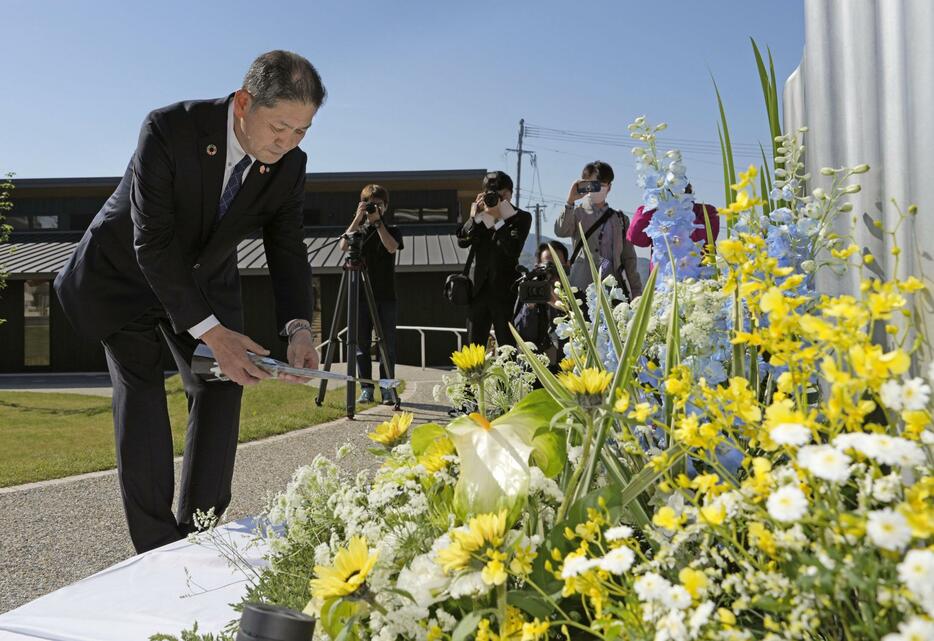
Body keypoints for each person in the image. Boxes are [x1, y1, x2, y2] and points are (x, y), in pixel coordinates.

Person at [53, 51, 325, 554]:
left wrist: (299, 328)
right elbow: (151, 243)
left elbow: (287, 246)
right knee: (142, 396)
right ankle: (156, 548)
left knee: (225, 385)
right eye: (279, 127)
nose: (286, 143)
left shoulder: (289, 167)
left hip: (205, 282)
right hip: (126, 277)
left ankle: (197, 532)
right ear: (244, 103)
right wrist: (213, 334)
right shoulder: (167, 129)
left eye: (301, 133)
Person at [339, 184, 402, 405]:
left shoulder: (391, 229)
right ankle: (366, 388)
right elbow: (343, 246)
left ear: (385, 206)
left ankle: (387, 389)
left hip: (385, 296)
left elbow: (392, 247)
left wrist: (377, 223)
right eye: (370, 204)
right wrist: (358, 219)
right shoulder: (358, 231)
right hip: (360, 297)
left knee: (387, 345)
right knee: (360, 345)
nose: (374, 207)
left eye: (378, 204)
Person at [456, 171, 531, 347]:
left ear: (509, 194)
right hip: (478, 291)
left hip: (506, 291)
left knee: (507, 347)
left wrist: (498, 218)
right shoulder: (481, 216)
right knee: (474, 349)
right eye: (491, 194)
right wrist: (474, 217)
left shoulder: (520, 217)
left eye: (501, 194)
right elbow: (462, 241)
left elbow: (513, 249)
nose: (496, 198)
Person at [554, 161, 643, 302]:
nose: (599, 189)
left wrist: (636, 291)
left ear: (609, 187)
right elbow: (561, 231)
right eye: (594, 184)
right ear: (584, 185)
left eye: (603, 184)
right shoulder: (576, 213)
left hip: (613, 290)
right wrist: (570, 201)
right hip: (582, 287)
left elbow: (629, 258)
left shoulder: (620, 219)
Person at [514, 241, 570, 371]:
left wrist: (562, 306)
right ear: (537, 267)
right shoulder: (531, 293)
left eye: (558, 266)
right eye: (547, 266)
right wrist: (530, 308)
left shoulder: (577, 296)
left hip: (569, 368)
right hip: (538, 370)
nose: (552, 273)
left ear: (567, 266)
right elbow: (523, 336)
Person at [627, 183, 719, 257]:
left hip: (696, 275)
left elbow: (704, 240)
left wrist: (683, 209)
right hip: (663, 275)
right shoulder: (657, 212)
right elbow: (636, 239)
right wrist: (651, 208)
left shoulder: (707, 212)